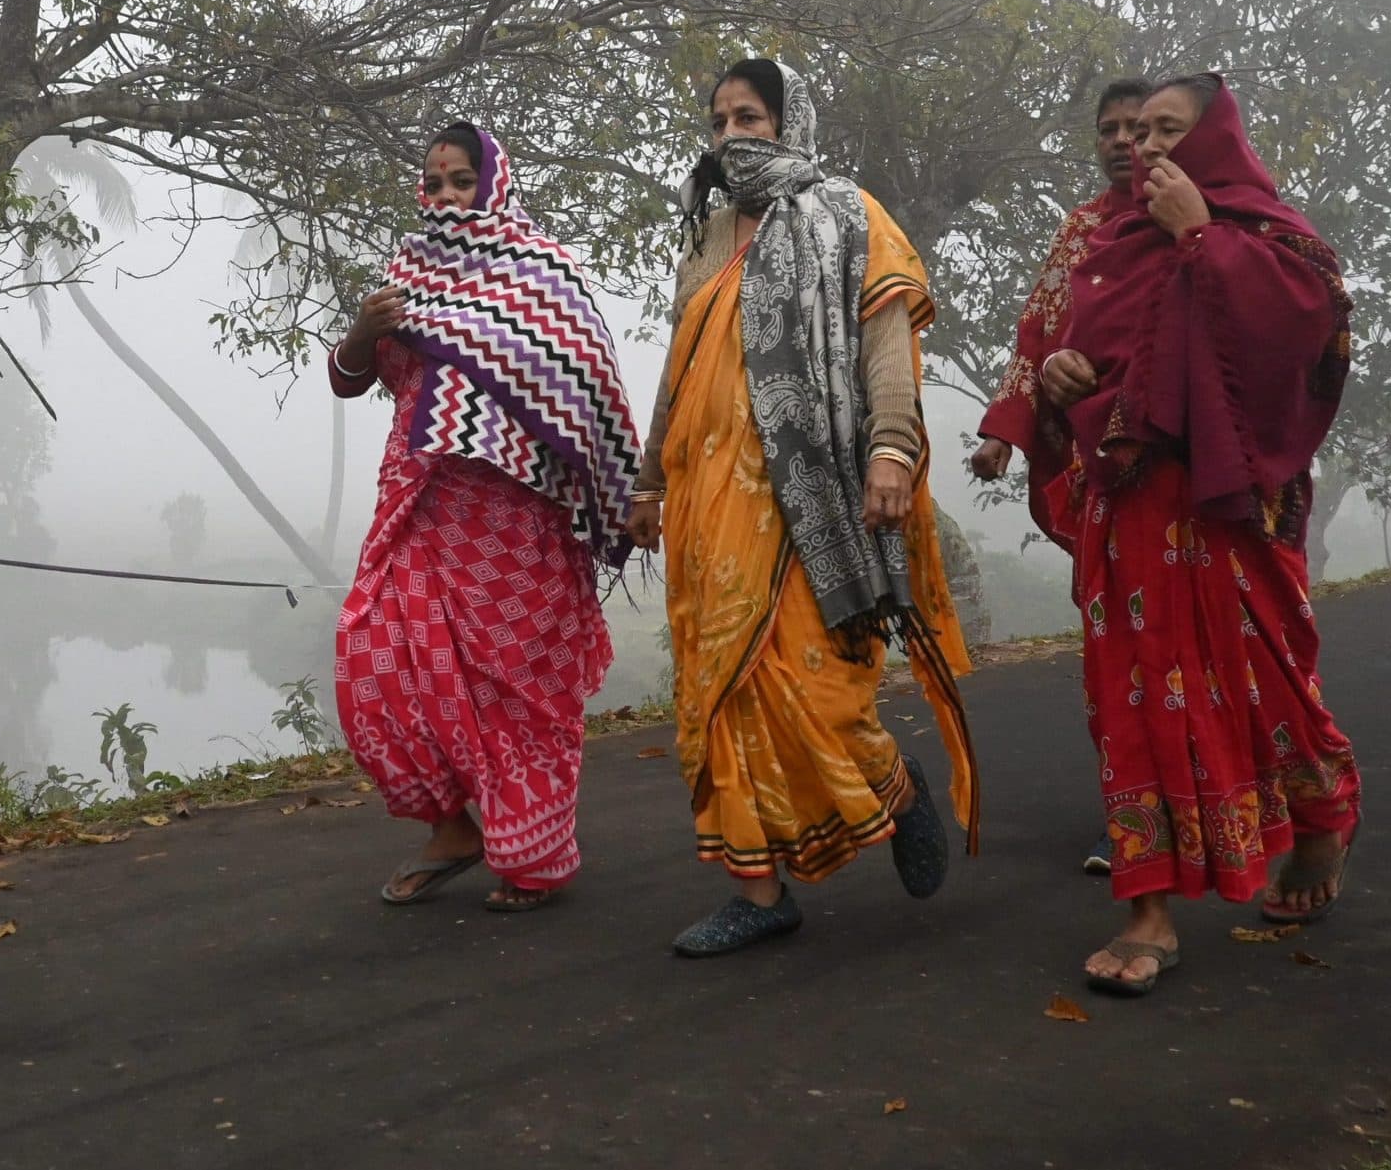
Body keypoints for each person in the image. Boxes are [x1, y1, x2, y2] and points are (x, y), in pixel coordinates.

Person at [628, 59, 981, 957]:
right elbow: (679, 367)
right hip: (707, 498)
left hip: (809, 496)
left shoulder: (848, 216)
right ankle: (756, 888)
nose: (730, 136)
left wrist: (893, 449)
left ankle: (894, 787)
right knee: (721, 684)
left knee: (817, 685)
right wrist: (648, 481)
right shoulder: (709, 234)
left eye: (750, 117)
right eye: (719, 121)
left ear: (791, 123)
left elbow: (885, 344)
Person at [1038, 74, 1362, 996]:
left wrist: (1201, 235)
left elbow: (1305, 333)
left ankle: (1323, 816)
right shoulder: (1113, 242)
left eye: (1167, 130)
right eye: (1136, 133)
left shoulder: (1271, 236)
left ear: (1216, 139)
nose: (1145, 148)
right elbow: (1091, 352)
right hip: (1130, 507)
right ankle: (1148, 908)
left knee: (1266, 680)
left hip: (1227, 508)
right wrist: (1064, 373)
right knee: (1132, 695)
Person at [332, 122, 643, 913]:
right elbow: (350, 378)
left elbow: (590, 391)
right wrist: (365, 331)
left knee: (519, 694)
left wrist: (621, 491)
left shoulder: (542, 273)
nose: (445, 196)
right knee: (375, 659)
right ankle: (451, 829)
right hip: (420, 509)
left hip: (517, 527)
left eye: (461, 181)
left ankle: (534, 856)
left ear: (495, 183)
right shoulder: (406, 274)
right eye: (434, 183)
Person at [970, 78, 1152, 876]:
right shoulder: (1080, 231)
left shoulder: (1201, 224)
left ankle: (1216, 802)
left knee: (1182, 644)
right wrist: (1005, 432)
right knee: (1113, 644)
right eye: (1109, 128)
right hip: (1096, 478)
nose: (1123, 142)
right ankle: (1132, 817)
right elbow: (1036, 334)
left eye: (1139, 127)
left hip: (1177, 477)